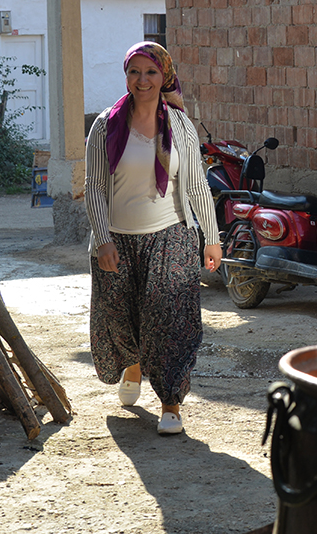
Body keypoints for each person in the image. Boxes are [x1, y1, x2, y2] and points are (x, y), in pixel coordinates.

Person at [84, 41, 222, 435]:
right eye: (134, 72)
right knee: (120, 316)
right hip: (118, 239)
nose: (142, 80)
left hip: (171, 235)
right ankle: (132, 362)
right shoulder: (106, 125)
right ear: (126, 76)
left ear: (165, 77)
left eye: (150, 72)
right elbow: (94, 187)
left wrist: (211, 237)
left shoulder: (179, 126)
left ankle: (171, 402)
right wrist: (102, 238)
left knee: (170, 321)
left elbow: (196, 185)